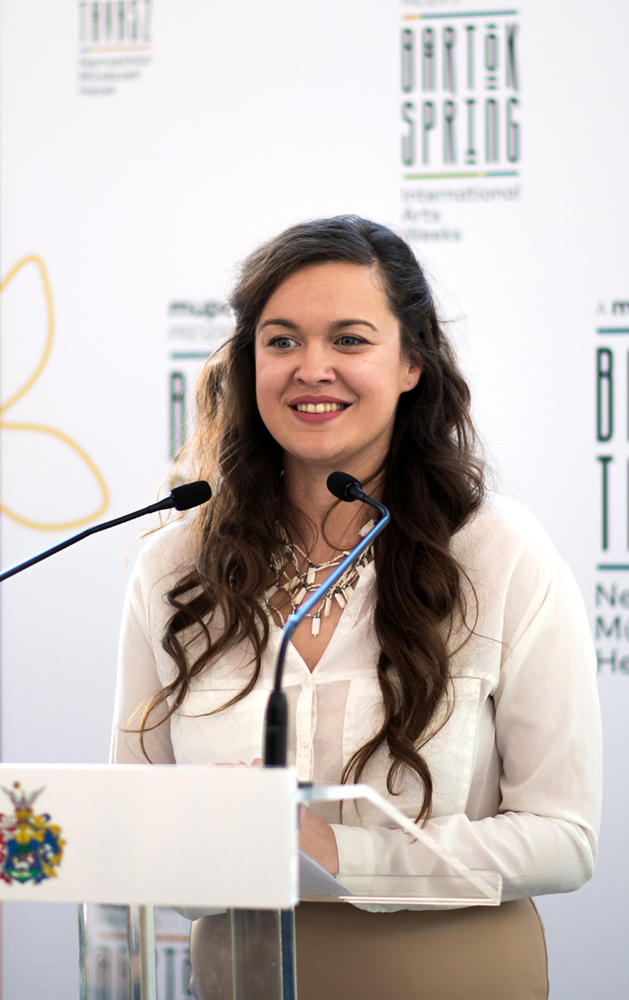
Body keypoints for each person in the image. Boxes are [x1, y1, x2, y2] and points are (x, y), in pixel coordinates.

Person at [112, 216, 602, 999]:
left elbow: (563, 839)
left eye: (348, 340)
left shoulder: (498, 550)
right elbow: (134, 826)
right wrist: (202, 841)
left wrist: (337, 854)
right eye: (280, 341)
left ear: (411, 362)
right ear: (247, 363)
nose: (311, 369)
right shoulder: (174, 565)